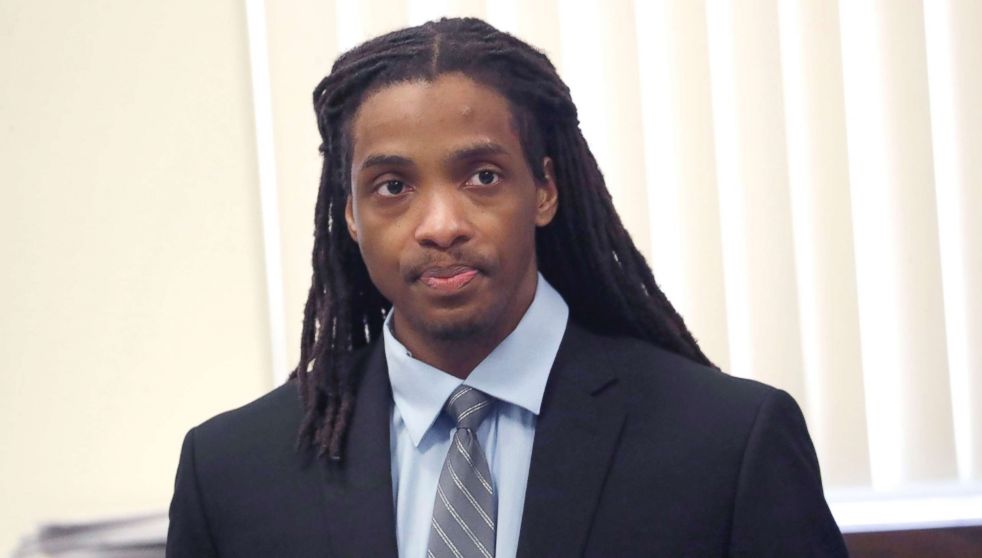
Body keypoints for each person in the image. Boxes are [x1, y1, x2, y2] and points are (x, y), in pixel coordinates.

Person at [167, 17, 847, 557]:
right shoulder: (231, 472)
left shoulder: (727, 444)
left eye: (482, 176)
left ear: (545, 188)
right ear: (350, 214)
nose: (440, 225)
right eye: (393, 187)